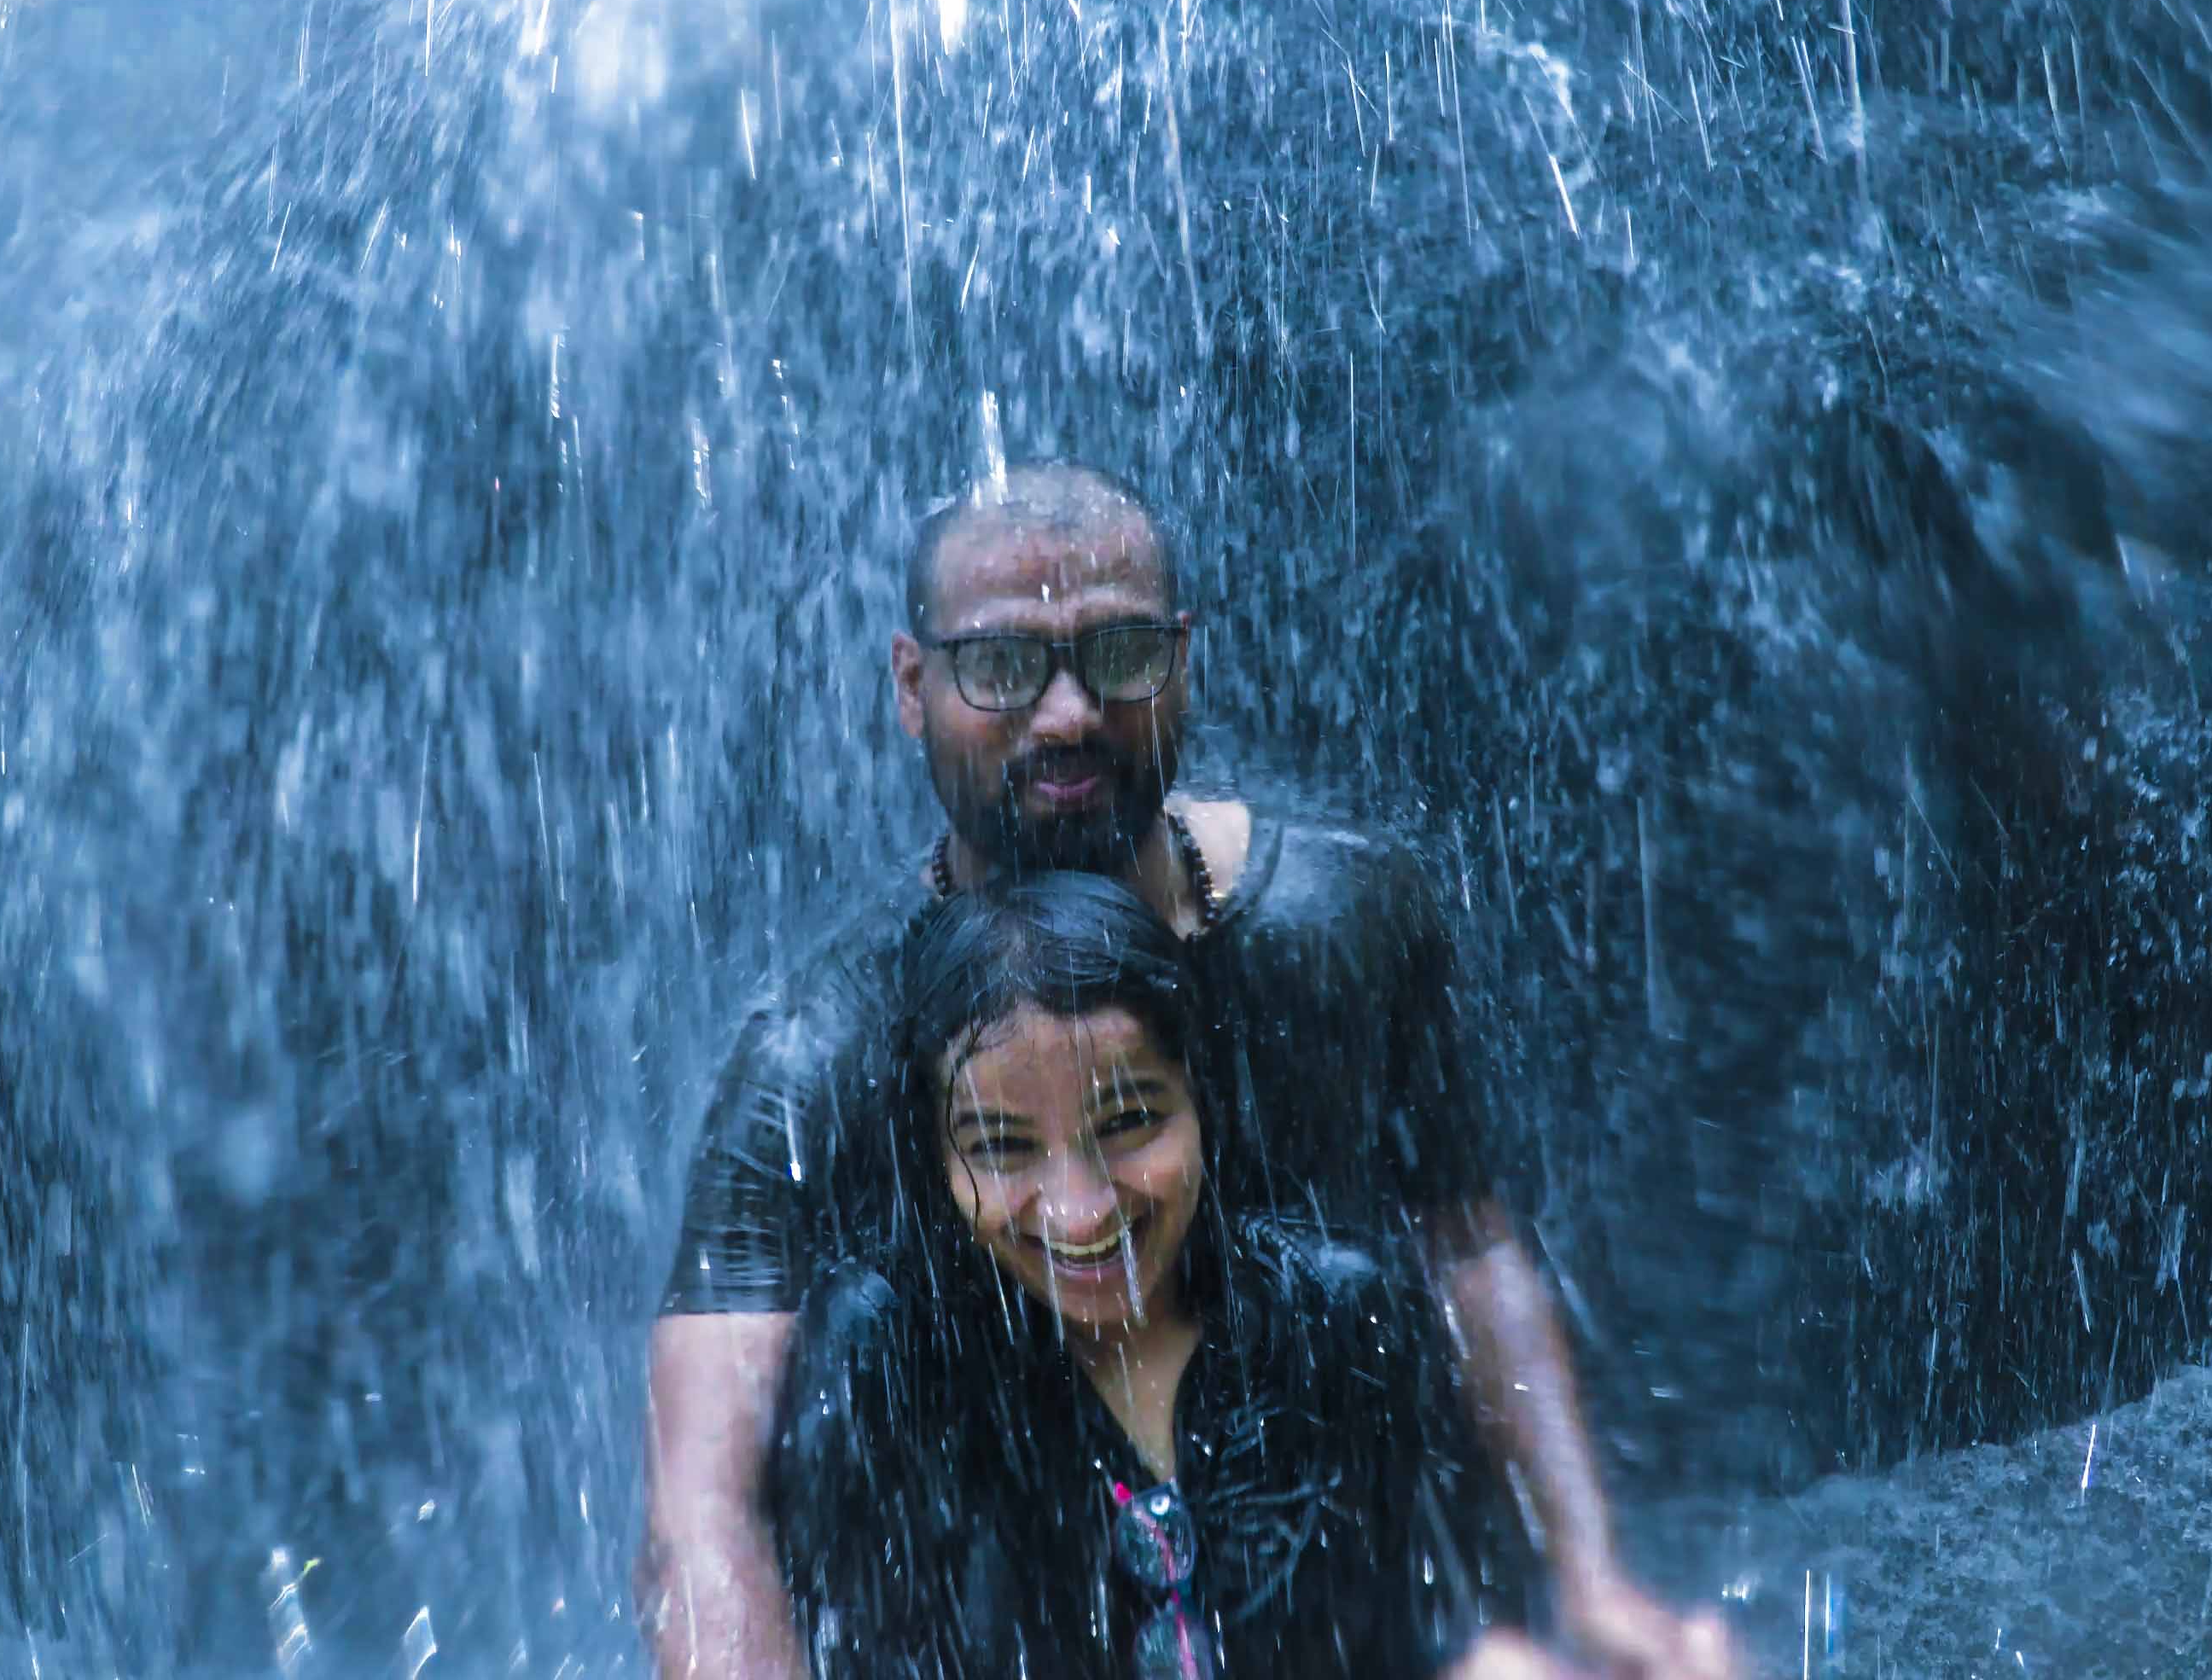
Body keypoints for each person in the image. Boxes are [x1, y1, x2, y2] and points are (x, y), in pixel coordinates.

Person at [640, 464, 1732, 1679]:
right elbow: (702, 1509)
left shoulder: (1345, 929)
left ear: (1185, 659)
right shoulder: (821, 1051)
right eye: (1000, 664)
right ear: (912, 685)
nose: (1067, 714)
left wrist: (1586, 1576)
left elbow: (1466, 1249)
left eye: (1119, 654)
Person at [770, 871, 1559, 1679]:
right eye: (1001, 1147)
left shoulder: (1339, 1319)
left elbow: (1459, 1630)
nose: (1079, 1213)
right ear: (934, 1160)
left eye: (1129, 1121)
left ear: (1204, 1099)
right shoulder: (886, 1362)